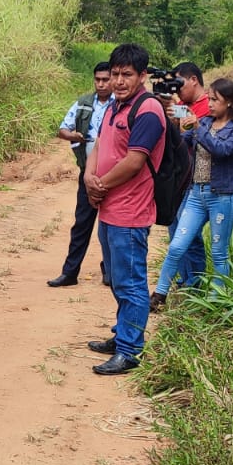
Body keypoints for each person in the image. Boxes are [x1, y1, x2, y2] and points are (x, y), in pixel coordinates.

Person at [83, 43, 167, 376]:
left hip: (130, 212)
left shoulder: (147, 110)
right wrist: (89, 175)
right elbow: (101, 144)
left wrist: (99, 184)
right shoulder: (116, 107)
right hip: (109, 209)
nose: (118, 81)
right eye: (115, 74)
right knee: (117, 280)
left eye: (126, 75)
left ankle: (130, 351)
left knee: (131, 282)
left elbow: (134, 161)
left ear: (142, 76)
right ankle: (122, 336)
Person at [152, 78, 233, 304]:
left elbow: (222, 150)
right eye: (209, 99)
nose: (209, 104)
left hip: (222, 197)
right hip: (196, 194)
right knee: (177, 245)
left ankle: (218, 298)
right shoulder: (206, 122)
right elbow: (180, 142)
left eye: (215, 100)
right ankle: (159, 293)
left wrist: (198, 128)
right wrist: (174, 121)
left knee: (219, 252)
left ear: (229, 102)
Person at [48, 62, 115, 288]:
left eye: (106, 79)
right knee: (82, 223)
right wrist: (72, 135)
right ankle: (70, 272)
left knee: (111, 226)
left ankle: (110, 270)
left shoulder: (122, 104)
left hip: (115, 175)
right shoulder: (84, 103)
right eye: (98, 79)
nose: (101, 84)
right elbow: (62, 129)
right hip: (88, 173)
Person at [158, 61, 210, 295]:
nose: (177, 90)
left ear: (193, 80)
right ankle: (185, 278)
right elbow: (175, 133)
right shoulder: (184, 105)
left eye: (180, 83)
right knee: (175, 228)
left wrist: (176, 108)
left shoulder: (209, 103)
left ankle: (195, 283)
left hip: (199, 176)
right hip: (180, 174)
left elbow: (194, 127)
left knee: (191, 233)